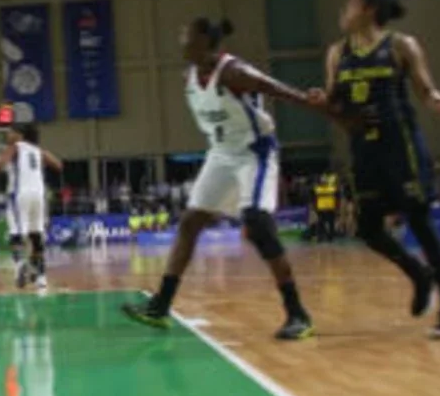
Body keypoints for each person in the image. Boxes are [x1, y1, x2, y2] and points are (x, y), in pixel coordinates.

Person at [122, 18, 327, 340]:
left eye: (185, 35)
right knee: (190, 222)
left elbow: (274, 88)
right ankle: (160, 306)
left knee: (258, 224)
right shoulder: (188, 76)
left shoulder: (234, 72)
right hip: (220, 153)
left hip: (253, 152)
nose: (181, 40)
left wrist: (309, 99)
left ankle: (298, 313)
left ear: (203, 39)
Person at [324, 0, 440, 339]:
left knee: (419, 221)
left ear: (369, 9)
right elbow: (333, 105)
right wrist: (327, 105)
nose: (344, 10)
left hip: (400, 145)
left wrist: (439, 102)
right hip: (364, 149)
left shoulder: (401, 45)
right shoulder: (336, 53)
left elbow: (425, 90)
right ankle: (419, 274)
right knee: (368, 229)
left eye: (351, 3)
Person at [0, 122, 63, 292]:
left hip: (20, 194)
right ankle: (41, 278)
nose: (8, 135)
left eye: (11, 132)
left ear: (20, 135)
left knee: (16, 234)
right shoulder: (37, 150)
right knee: (36, 236)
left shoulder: (15, 147)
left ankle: (20, 264)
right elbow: (58, 165)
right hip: (39, 195)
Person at [313, 171, 339, 242]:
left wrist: (336, 207)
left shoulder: (332, 188)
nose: (323, 182)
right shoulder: (317, 189)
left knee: (330, 223)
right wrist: (315, 208)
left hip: (330, 208)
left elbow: (336, 198)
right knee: (321, 223)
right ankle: (320, 237)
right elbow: (315, 199)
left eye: (324, 180)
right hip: (321, 209)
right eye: (322, 180)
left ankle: (330, 237)